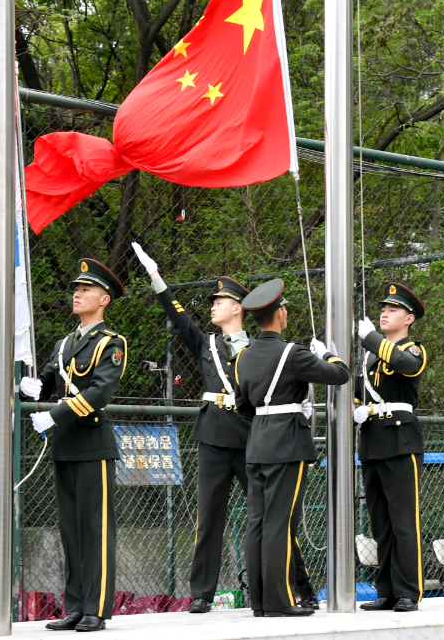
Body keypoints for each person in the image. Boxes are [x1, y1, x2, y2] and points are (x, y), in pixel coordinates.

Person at [130, 244, 319, 612]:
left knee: (274, 519)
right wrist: (156, 278)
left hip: (253, 437)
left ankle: (300, 586)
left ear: (239, 308)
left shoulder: (260, 346)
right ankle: (202, 593)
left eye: (221, 300)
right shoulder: (206, 343)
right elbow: (177, 315)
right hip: (214, 436)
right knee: (209, 518)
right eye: (213, 301)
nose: (213, 305)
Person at [235, 279, 349, 617]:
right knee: (281, 525)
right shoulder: (292, 353)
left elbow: (243, 406)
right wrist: (327, 353)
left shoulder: (244, 356)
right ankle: (280, 601)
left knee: (257, 522)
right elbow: (339, 374)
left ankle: (260, 602)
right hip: (287, 445)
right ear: (280, 312)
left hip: (256, 445)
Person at [25, 258, 127, 633]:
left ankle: (96, 609)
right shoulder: (64, 343)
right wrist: (34, 386)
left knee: (96, 530)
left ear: (103, 299)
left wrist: (56, 415)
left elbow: (100, 392)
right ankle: (74, 606)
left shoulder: (111, 344)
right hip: (65, 446)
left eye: (85, 290)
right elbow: (51, 382)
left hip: (92, 446)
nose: (77, 294)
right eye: (76, 289)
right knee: (71, 530)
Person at [354, 282, 427, 613]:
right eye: (383, 308)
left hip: (400, 442)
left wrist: (373, 339)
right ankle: (386, 590)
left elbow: (406, 366)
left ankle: (409, 591)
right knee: (380, 522)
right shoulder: (371, 357)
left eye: (393, 309)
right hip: (372, 440)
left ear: (409, 318)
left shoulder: (413, 350)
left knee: (403, 521)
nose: (385, 313)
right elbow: (361, 391)